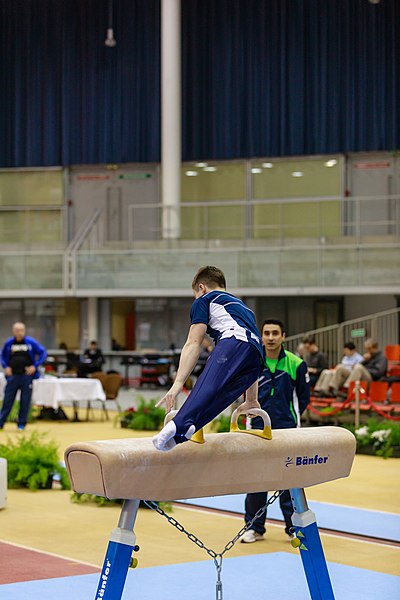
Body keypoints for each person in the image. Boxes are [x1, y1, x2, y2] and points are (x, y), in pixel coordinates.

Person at [152, 265, 264, 451]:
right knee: (218, 399)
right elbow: (250, 345)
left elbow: (193, 343)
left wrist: (178, 383)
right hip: (257, 357)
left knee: (206, 386)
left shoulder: (204, 299)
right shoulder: (244, 308)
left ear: (201, 288)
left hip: (232, 343)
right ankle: (183, 432)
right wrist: (251, 399)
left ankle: (177, 425)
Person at [240, 319, 310, 543]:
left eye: (275, 333)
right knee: (256, 480)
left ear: (283, 336)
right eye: (267, 333)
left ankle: (293, 528)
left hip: (287, 430)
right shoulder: (251, 363)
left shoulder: (296, 364)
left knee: (289, 482)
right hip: (257, 430)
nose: (270, 337)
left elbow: (303, 398)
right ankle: (255, 528)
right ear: (261, 337)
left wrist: (290, 418)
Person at [0, 322, 47, 431]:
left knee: (25, 401)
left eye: (21, 330)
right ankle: (1, 422)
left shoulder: (30, 342)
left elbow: (43, 353)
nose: (19, 332)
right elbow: (2, 355)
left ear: (24, 331)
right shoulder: (9, 343)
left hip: (26, 377)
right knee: (7, 400)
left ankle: (21, 424)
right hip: (13, 377)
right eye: (17, 330)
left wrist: (35, 366)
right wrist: (5, 367)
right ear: (13, 331)